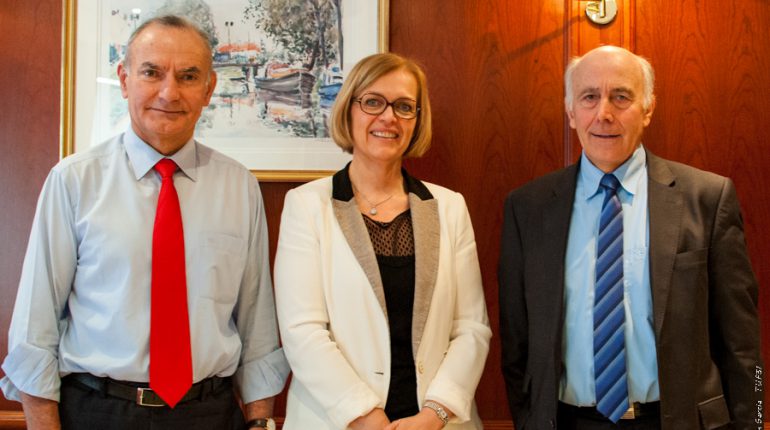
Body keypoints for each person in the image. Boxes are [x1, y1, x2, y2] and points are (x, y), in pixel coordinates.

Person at [1, 16, 288, 430]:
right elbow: (35, 330)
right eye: (152, 72)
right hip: (98, 412)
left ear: (208, 89)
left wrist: (260, 423)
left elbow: (257, 324)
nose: (169, 92)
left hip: (209, 413)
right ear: (124, 79)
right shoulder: (74, 181)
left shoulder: (238, 186)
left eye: (188, 76)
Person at [498, 44, 763, 430]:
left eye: (621, 96)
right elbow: (516, 342)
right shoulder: (528, 208)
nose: (604, 113)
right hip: (566, 420)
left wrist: (754, 423)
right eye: (590, 97)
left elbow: (744, 348)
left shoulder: (707, 198)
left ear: (648, 108)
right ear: (571, 111)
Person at [273, 52, 492, 430]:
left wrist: (435, 414)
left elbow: (471, 328)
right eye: (373, 102)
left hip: (434, 423)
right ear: (349, 110)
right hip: (337, 421)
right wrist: (364, 415)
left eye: (404, 106)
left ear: (416, 120)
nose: (388, 117)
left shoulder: (449, 207)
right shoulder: (306, 206)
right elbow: (302, 330)